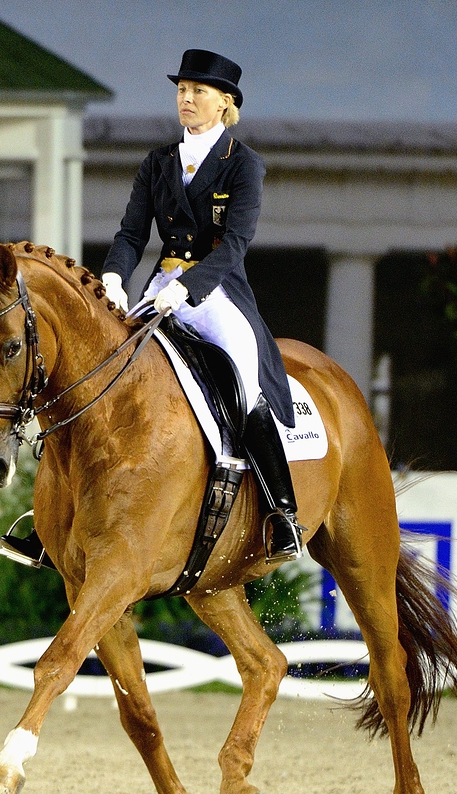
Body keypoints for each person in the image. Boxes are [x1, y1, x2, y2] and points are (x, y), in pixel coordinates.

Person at [100, 49, 303, 561]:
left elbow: (235, 244)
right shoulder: (158, 161)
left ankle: (283, 514)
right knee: (101, 368)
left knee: (244, 377)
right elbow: (130, 232)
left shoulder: (243, 164)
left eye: (198, 92)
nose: (186, 99)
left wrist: (187, 288)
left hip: (214, 292)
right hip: (158, 287)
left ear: (225, 103)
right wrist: (114, 277)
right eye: (182, 90)